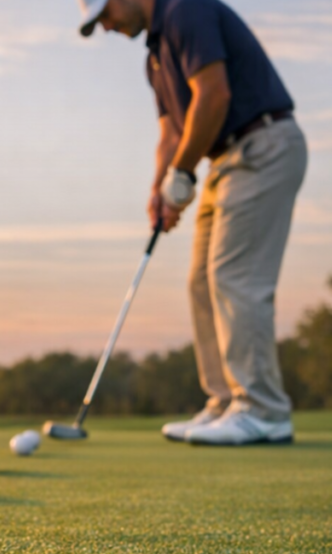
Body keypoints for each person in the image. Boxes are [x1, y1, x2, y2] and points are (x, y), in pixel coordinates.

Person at [76, 0, 308, 445]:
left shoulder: (185, 10)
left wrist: (180, 175)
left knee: (234, 277)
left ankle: (263, 410)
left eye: (105, 15)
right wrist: (159, 188)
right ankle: (225, 401)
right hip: (223, 160)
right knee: (201, 280)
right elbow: (172, 134)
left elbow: (214, 95)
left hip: (263, 145)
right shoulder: (154, 58)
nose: (106, 27)